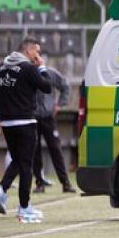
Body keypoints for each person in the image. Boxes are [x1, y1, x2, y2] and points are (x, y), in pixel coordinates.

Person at [0, 37, 53, 223]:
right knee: (27, 166)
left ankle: (1, 190)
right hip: (25, 122)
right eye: (37, 51)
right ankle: (24, 208)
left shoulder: (2, 67)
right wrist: (42, 67)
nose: (38, 55)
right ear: (28, 51)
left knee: (18, 161)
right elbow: (47, 87)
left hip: (7, 123)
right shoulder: (28, 68)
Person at [31, 65, 74, 194]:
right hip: (32, 117)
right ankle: (39, 183)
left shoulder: (51, 72)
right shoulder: (28, 73)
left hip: (49, 117)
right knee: (35, 151)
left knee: (56, 150)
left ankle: (65, 183)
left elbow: (65, 87)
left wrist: (60, 104)